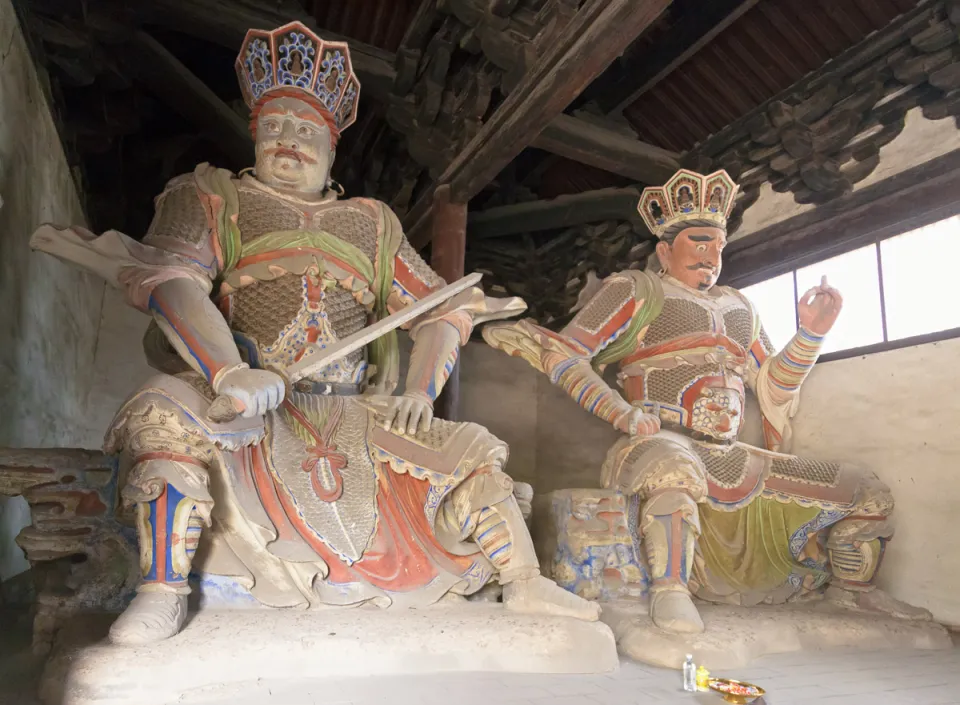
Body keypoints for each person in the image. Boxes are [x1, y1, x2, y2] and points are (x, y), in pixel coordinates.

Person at [31, 21, 599, 645]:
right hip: (247, 399)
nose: (289, 141)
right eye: (274, 126)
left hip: (353, 408)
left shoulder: (373, 223)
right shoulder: (211, 197)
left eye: (307, 131)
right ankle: (161, 588)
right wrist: (229, 371)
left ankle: (522, 580)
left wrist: (418, 388)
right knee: (162, 413)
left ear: (332, 149)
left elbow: (440, 307)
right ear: (254, 136)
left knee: (468, 445)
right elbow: (172, 279)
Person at [483, 168, 931, 634]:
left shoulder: (741, 306)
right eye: (699, 243)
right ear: (664, 249)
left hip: (731, 453)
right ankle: (671, 590)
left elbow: (774, 386)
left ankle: (853, 592)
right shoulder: (636, 290)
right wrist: (620, 412)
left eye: (718, 246)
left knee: (863, 488)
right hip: (657, 443)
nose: (711, 255)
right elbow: (564, 353)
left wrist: (811, 332)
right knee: (676, 471)